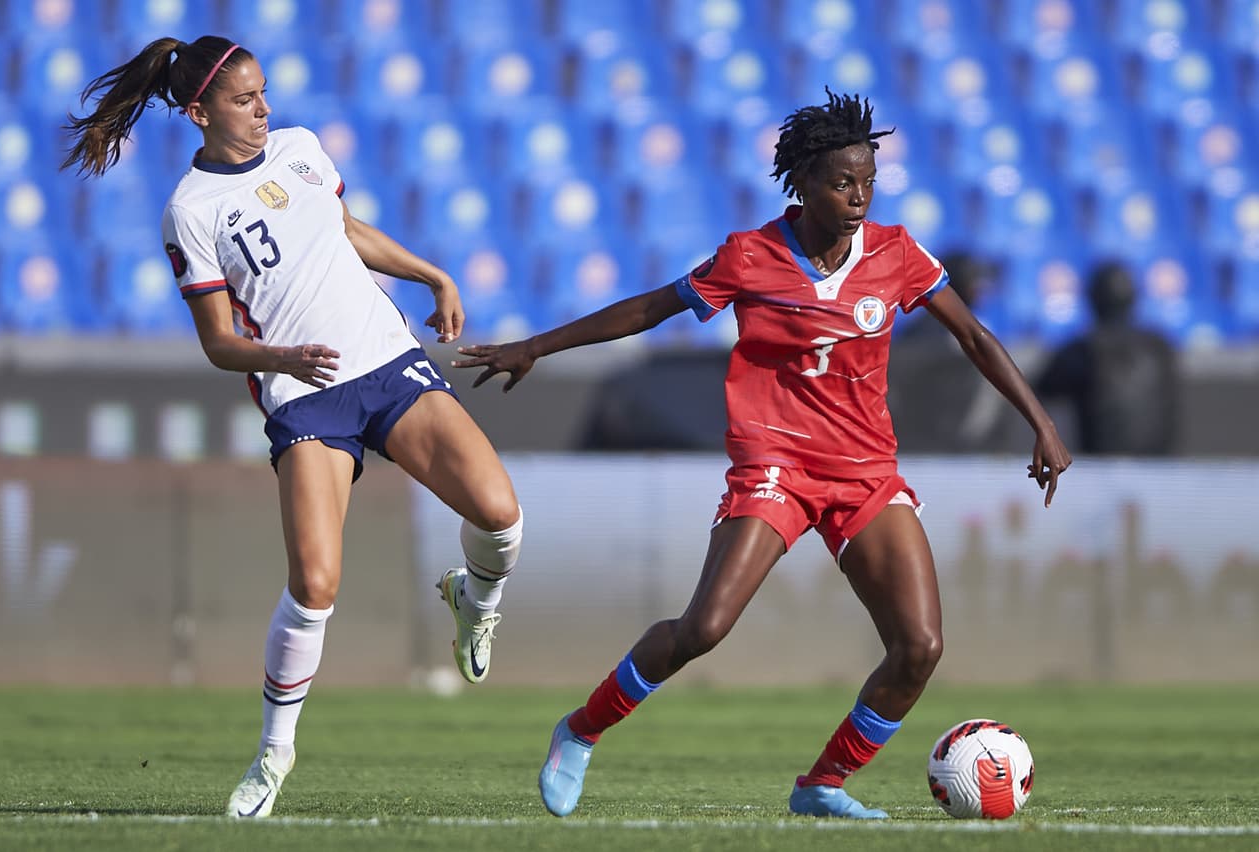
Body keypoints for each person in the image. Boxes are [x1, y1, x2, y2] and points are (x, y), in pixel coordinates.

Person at [453, 91, 1071, 820]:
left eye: (869, 182)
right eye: (844, 183)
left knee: (920, 646)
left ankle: (823, 785)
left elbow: (974, 336)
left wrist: (1041, 423)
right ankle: (581, 729)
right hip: (775, 466)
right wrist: (537, 346)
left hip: (866, 473)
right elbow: (652, 307)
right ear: (804, 182)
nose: (859, 197)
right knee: (703, 629)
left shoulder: (897, 255)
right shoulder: (750, 256)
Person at [62, 36, 525, 818]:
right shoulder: (190, 210)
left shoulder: (301, 149)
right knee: (315, 584)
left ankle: (474, 600)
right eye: (244, 101)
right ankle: (273, 759)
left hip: (385, 362)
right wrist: (282, 355)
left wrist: (432, 273)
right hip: (305, 395)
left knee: (500, 514)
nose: (263, 110)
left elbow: (344, 228)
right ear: (197, 112)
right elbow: (217, 342)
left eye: (265, 94)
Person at [1035, 260, 1179, 455]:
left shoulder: (1083, 349)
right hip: (1160, 468)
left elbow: (1039, 390)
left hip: (1103, 468)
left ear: (1093, 299)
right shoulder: (1161, 347)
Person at [889, 251, 1011, 453]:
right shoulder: (925, 331)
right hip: (926, 437)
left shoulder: (975, 325)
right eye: (972, 279)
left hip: (959, 434)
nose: (979, 287)